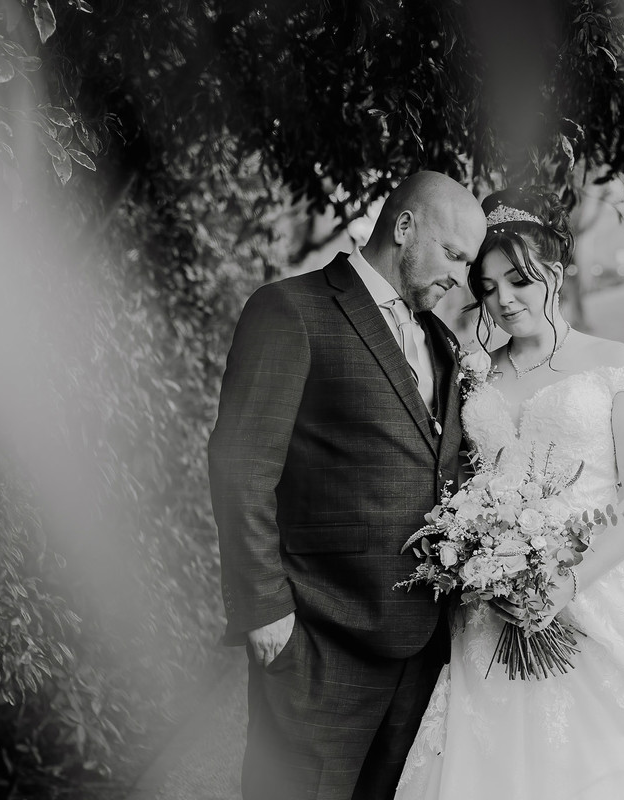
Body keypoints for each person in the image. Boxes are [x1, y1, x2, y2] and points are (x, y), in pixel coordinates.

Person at [394, 189, 624, 799]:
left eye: (519, 279)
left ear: (555, 276)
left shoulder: (617, 365)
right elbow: (461, 477)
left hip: (597, 584)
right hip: (492, 596)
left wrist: (566, 581)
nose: (503, 299)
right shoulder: (473, 373)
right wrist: (480, 551)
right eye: (486, 287)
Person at [208, 171, 488, 800]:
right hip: (317, 633)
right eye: (453, 253)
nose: (459, 278)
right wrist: (264, 609)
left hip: (420, 645)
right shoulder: (291, 309)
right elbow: (241, 463)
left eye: (469, 263)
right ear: (405, 226)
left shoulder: (439, 338)